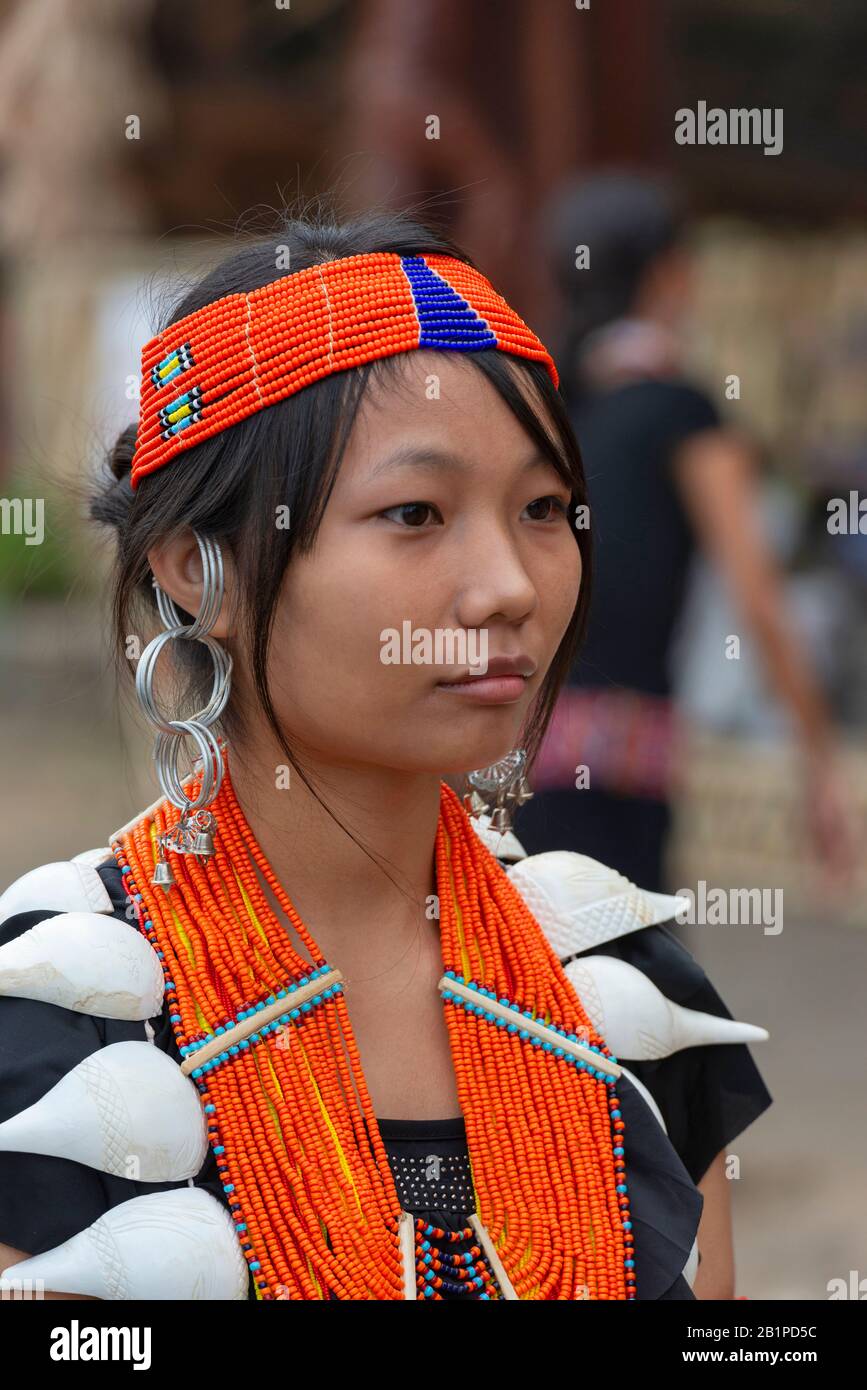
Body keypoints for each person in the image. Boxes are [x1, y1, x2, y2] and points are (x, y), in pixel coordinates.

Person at [0, 207, 770, 1301]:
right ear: (195, 567)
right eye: (416, 511)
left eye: (544, 507)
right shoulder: (65, 1024)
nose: (509, 584)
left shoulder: (624, 1001)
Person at [514, 170, 856, 897]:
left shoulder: (542, 407)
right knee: (636, 992)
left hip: (520, 758)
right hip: (625, 770)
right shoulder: (680, 410)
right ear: (666, 273)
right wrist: (819, 762)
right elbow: (758, 596)